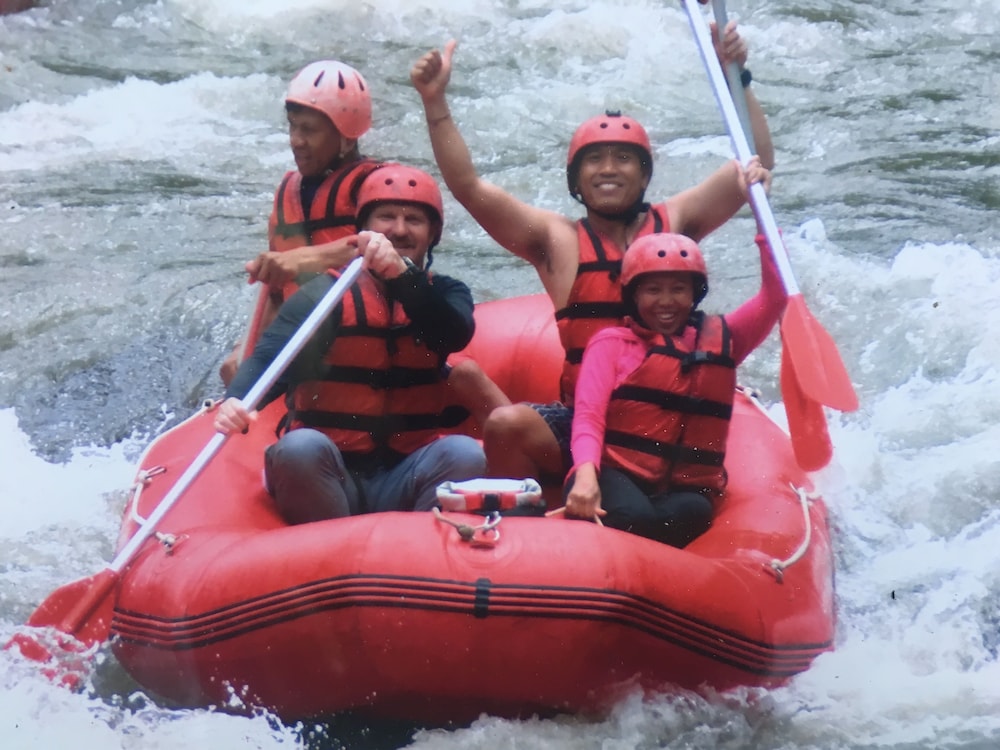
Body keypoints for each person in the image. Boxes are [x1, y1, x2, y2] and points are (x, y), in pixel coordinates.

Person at [410, 22, 774, 488]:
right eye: (594, 160)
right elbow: (468, 186)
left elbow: (755, 162)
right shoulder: (555, 241)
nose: (608, 170)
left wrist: (737, 77)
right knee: (505, 424)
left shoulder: (677, 221)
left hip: (660, 421)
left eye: (623, 158)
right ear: (576, 179)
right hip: (583, 420)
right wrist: (435, 104)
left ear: (644, 175)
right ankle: (531, 517)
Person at [214, 165, 486, 523]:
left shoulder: (448, 293)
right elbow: (270, 358)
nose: (399, 230)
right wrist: (237, 399)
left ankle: (416, 545)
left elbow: (451, 333)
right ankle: (334, 544)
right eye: (386, 217)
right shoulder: (325, 295)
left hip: (405, 473)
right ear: (363, 230)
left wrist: (402, 276)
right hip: (331, 472)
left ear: (433, 233)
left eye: (414, 220)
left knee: (466, 454)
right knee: (298, 448)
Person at [562, 231, 786, 546]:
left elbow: (775, 298)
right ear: (634, 296)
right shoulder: (610, 344)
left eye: (678, 289)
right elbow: (588, 418)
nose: (666, 302)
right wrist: (586, 476)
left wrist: (767, 236)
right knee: (635, 516)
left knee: (694, 510)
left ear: (694, 294)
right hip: (613, 472)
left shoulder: (722, 342)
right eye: (653, 290)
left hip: (677, 488)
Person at [220, 59, 383, 385]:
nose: (295, 140)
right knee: (232, 371)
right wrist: (247, 351)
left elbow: (386, 249)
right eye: (292, 126)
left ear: (347, 138)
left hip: (363, 348)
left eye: (308, 130)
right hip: (301, 346)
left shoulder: (378, 185)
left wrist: (302, 260)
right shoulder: (288, 193)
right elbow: (276, 294)